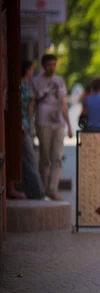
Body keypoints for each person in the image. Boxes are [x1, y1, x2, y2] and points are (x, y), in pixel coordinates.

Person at [30, 54, 73, 201]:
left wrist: (69, 125)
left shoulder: (59, 80)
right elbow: (32, 103)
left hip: (58, 122)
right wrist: (29, 122)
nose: (52, 68)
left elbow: (64, 103)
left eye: (54, 64)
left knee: (58, 157)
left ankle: (53, 189)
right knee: (44, 157)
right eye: (49, 65)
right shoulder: (36, 82)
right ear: (43, 65)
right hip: (43, 122)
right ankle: (43, 189)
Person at [20, 60, 45, 200]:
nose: (32, 72)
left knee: (29, 158)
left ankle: (31, 191)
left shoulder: (28, 85)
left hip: (27, 125)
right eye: (31, 69)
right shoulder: (20, 85)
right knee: (30, 159)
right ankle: (38, 192)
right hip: (22, 126)